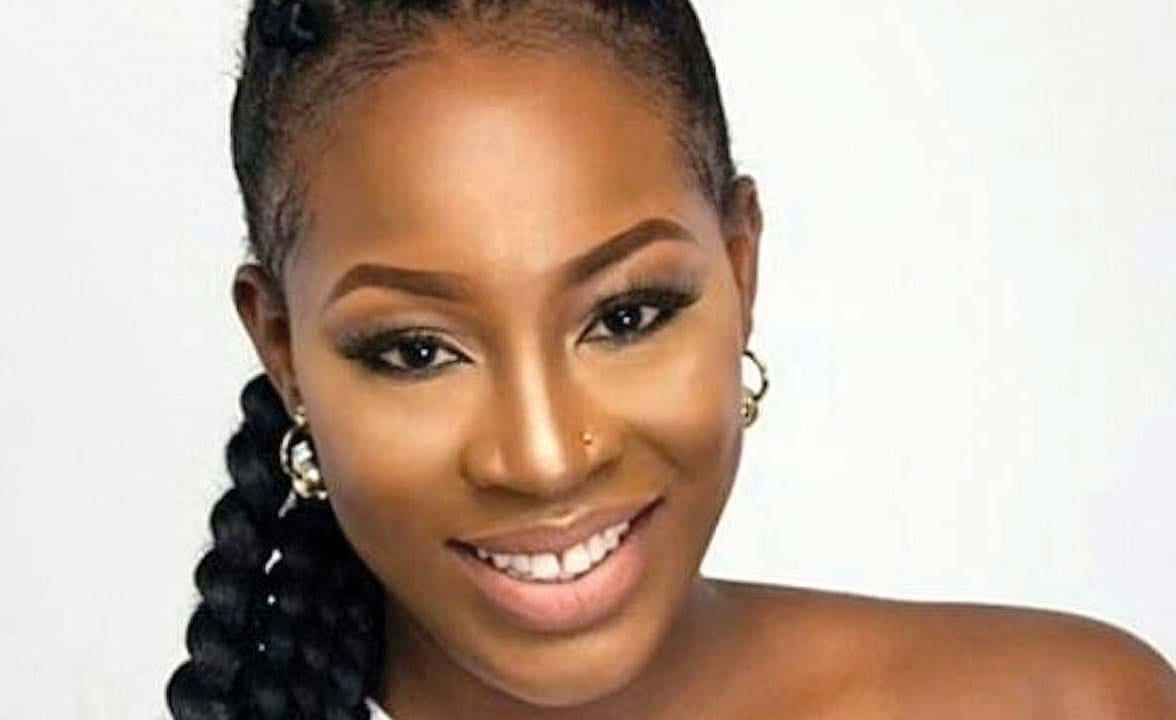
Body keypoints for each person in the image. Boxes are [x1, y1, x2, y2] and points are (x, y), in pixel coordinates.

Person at [167, 1, 1176, 717]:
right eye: (418, 350)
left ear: (740, 269)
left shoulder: (1064, 705)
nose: (543, 457)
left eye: (626, 316)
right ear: (284, 351)